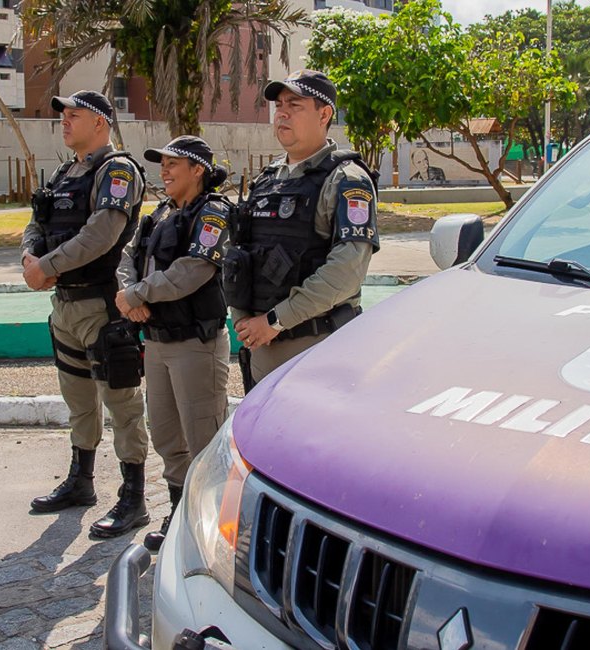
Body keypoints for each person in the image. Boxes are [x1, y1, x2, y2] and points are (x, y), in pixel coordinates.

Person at [22, 89, 151, 539]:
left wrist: (47, 266)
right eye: (64, 115)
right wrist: (29, 261)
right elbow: (36, 222)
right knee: (78, 399)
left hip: (102, 304)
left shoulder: (118, 171)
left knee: (121, 402)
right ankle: (81, 481)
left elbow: (101, 234)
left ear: (101, 123)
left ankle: (134, 497)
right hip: (65, 305)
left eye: (74, 115)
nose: (65, 122)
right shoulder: (64, 172)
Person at [225, 70, 379, 391]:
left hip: (314, 350)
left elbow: (345, 272)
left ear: (324, 114)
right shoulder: (267, 180)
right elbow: (242, 254)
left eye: (294, 105)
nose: (281, 112)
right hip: (260, 347)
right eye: (279, 105)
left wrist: (274, 321)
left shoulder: (347, 180)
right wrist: (243, 318)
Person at [115, 136, 231, 552]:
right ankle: (180, 512)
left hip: (194, 344)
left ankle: (212, 524)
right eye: (161, 164)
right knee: (166, 435)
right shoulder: (159, 213)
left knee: (202, 437)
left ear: (197, 169)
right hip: (158, 342)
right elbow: (128, 256)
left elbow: (193, 270)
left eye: (173, 164)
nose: (163, 171)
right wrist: (130, 296)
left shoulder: (214, 213)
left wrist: (139, 294)